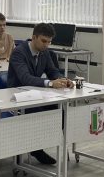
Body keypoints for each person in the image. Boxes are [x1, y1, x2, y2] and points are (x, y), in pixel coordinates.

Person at [7, 22, 74, 165]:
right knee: (38, 112)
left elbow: (52, 71)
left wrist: (62, 79)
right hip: (18, 96)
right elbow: (25, 78)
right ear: (34, 37)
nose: (46, 45)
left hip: (36, 94)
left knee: (59, 111)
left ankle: (38, 144)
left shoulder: (45, 52)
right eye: (44, 41)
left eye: (49, 42)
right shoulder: (19, 52)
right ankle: (36, 149)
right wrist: (50, 83)